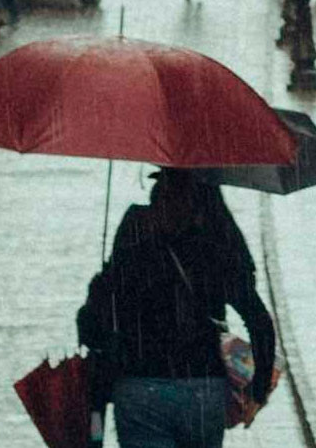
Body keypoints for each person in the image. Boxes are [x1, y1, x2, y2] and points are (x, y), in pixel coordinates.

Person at [77, 168, 276, 448]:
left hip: (138, 385)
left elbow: (96, 317)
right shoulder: (215, 242)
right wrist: (258, 390)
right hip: (202, 387)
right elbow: (260, 322)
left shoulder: (134, 229)